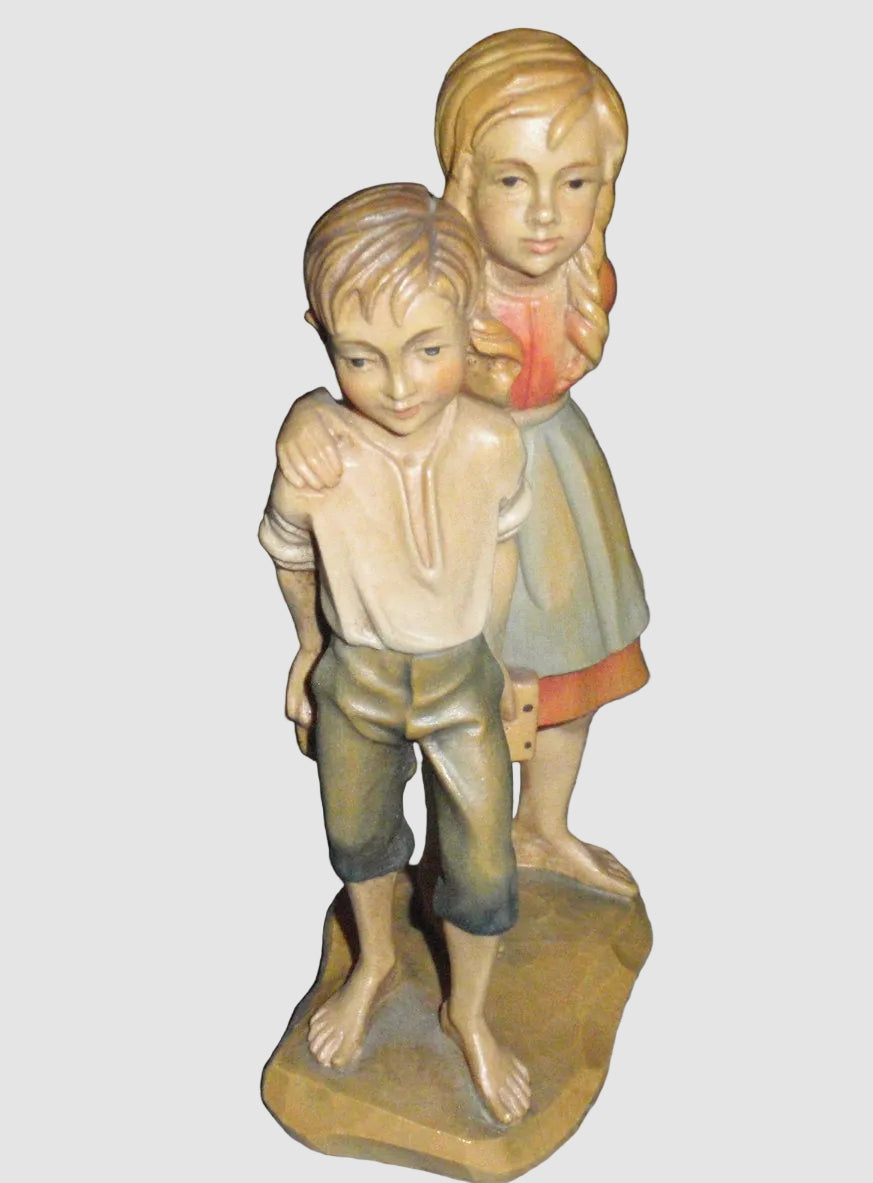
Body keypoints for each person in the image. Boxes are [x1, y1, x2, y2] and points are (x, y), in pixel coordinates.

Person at [275, 30, 649, 899]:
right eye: (514, 181)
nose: (546, 214)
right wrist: (307, 412)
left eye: (575, 183)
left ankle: (543, 825)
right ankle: (460, 860)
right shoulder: (440, 280)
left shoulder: (587, 281)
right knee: (464, 683)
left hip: (559, 478)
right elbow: (365, 364)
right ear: (464, 175)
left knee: (573, 668)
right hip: (457, 488)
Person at [260, 183, 531, 1125]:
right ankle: (374, 960)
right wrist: (308, 649)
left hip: (460, 680)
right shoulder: (317, 451)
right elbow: (291, 555)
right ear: (321, 338)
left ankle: (470, 1012)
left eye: (428, 349)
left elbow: (503, 546)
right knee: (360, 834)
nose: (401, 386)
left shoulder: (491, 441)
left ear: (469, 321)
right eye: (360, 358)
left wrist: (499, 659)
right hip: (361, 678)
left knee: (485, 863)